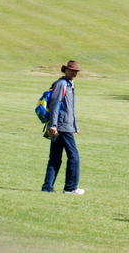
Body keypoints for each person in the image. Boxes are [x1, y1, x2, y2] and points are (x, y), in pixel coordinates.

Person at [41, 60, 85, 194]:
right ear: (65, 70)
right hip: (61, 127)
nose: (74, 73)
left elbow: (69, 108)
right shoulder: (62, 84)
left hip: (64, 126)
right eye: (72, 71)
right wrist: (53, 125)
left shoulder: (69, 84)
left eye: (76, 71)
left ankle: (47, 187)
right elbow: (55, 105)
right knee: (74, 157)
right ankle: (70, 188)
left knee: (55, 158)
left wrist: (75, 126)